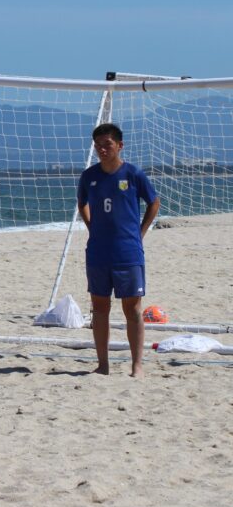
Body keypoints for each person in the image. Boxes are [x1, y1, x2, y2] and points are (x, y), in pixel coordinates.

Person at [77, 123, 160, 377]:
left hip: (128, 252)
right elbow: (82, 203)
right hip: (98, 253)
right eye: (98, 145)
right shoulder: (89, 176)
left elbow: (154, 203)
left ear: (119, 145)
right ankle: (103, 365)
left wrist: (140, 232)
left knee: (132, 309)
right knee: (99, 309)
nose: (102, 149)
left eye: (107, 144)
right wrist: (92, 227)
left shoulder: (133, 174)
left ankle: (137, 366)